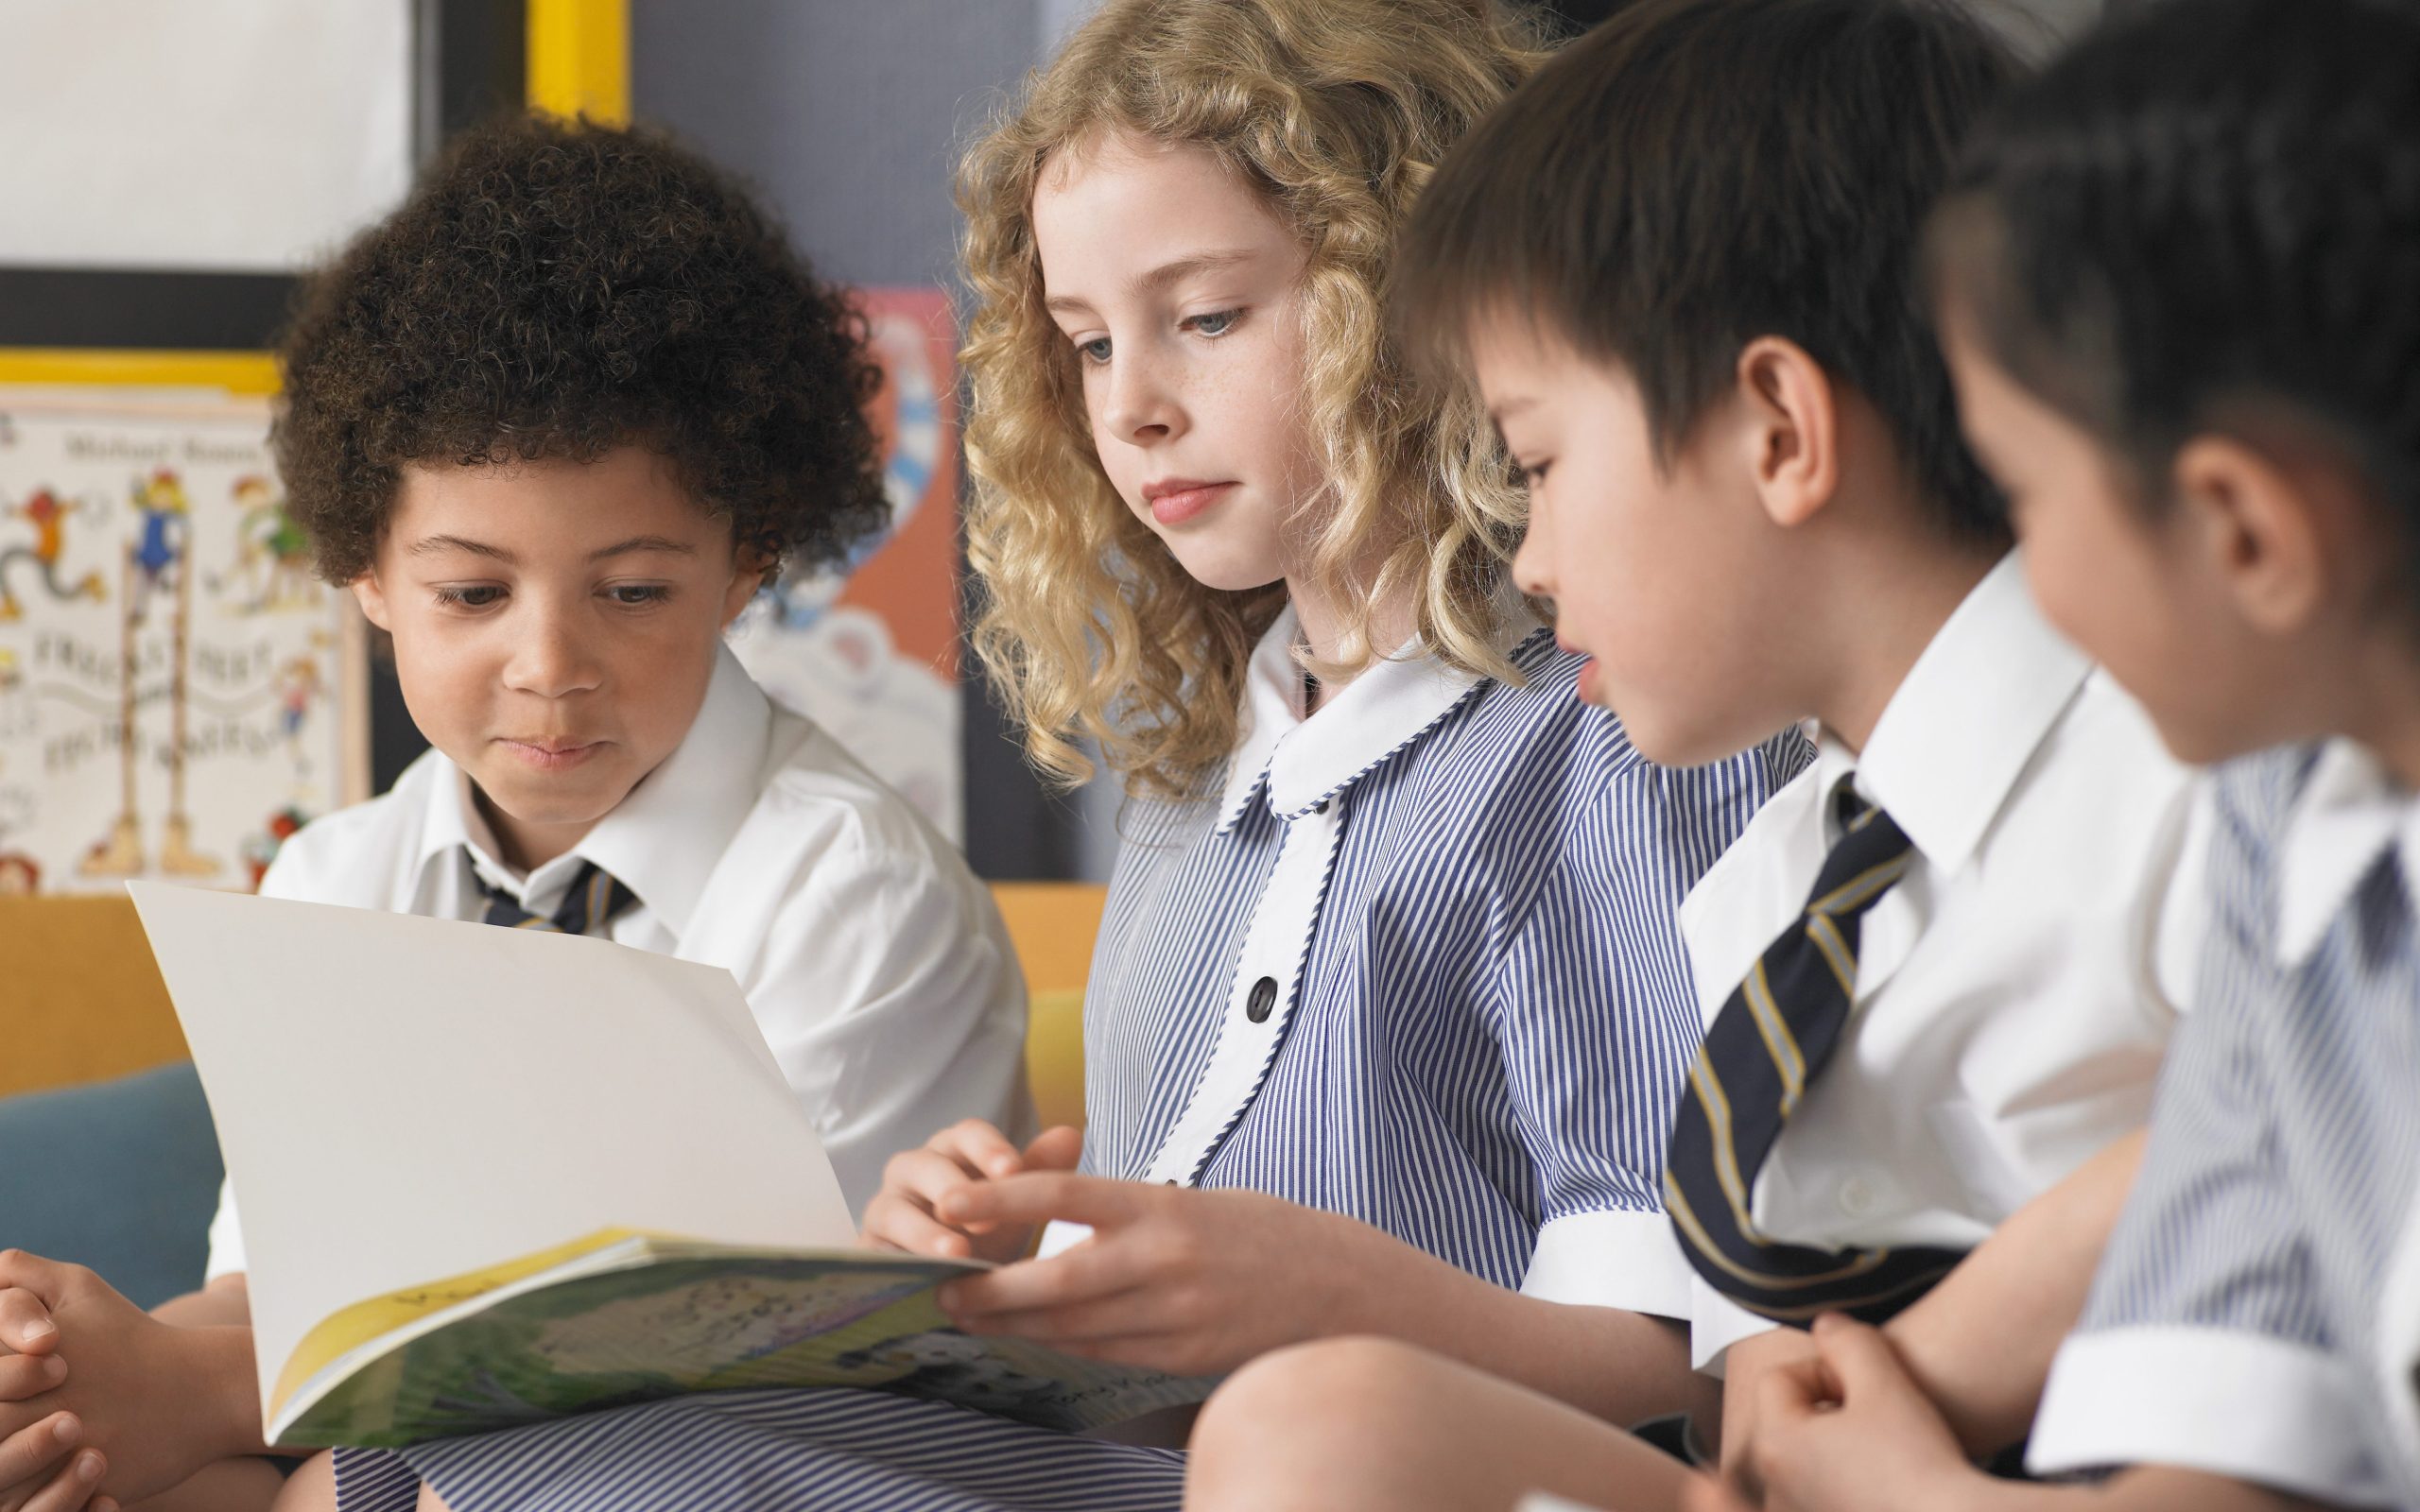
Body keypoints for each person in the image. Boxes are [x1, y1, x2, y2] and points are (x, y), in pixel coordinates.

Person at [269, 3, 1796, 1508]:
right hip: (1139, 1467)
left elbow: (1689, 1364)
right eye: (1083, 342)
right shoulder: (1203, 782)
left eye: (1205, 317)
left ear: (1414, 291)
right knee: (507, 1438)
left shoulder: (1617, 732)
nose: (1131, 404)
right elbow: (1142, 1297)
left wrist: (1320, 1295)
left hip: (1414, 1473)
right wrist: (1006, 1261)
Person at [1182, 4, 2204, 1507]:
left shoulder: (2181, 766)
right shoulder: (1774, 885)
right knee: (1317, 1429)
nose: (1527, 563)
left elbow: (2325, 1137)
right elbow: (1750, 1431)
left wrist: (1934, 1397)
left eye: (1538, 465)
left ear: (1780, 429)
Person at [0, 114, 1028, 1512]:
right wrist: (69, 1372)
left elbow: (693, 1361)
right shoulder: (330, 884)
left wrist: (187, 1393)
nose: (550, 665)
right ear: (365, 570)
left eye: (635, 590)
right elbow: (264, 1296)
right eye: (474, 594)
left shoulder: (853, 897)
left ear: (747, 566)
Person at [1723, 2, 2420, 1507]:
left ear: (2244, 531)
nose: (2023, 592)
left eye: (2027, 502)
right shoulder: (2288, 813)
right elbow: (2234, 1437)